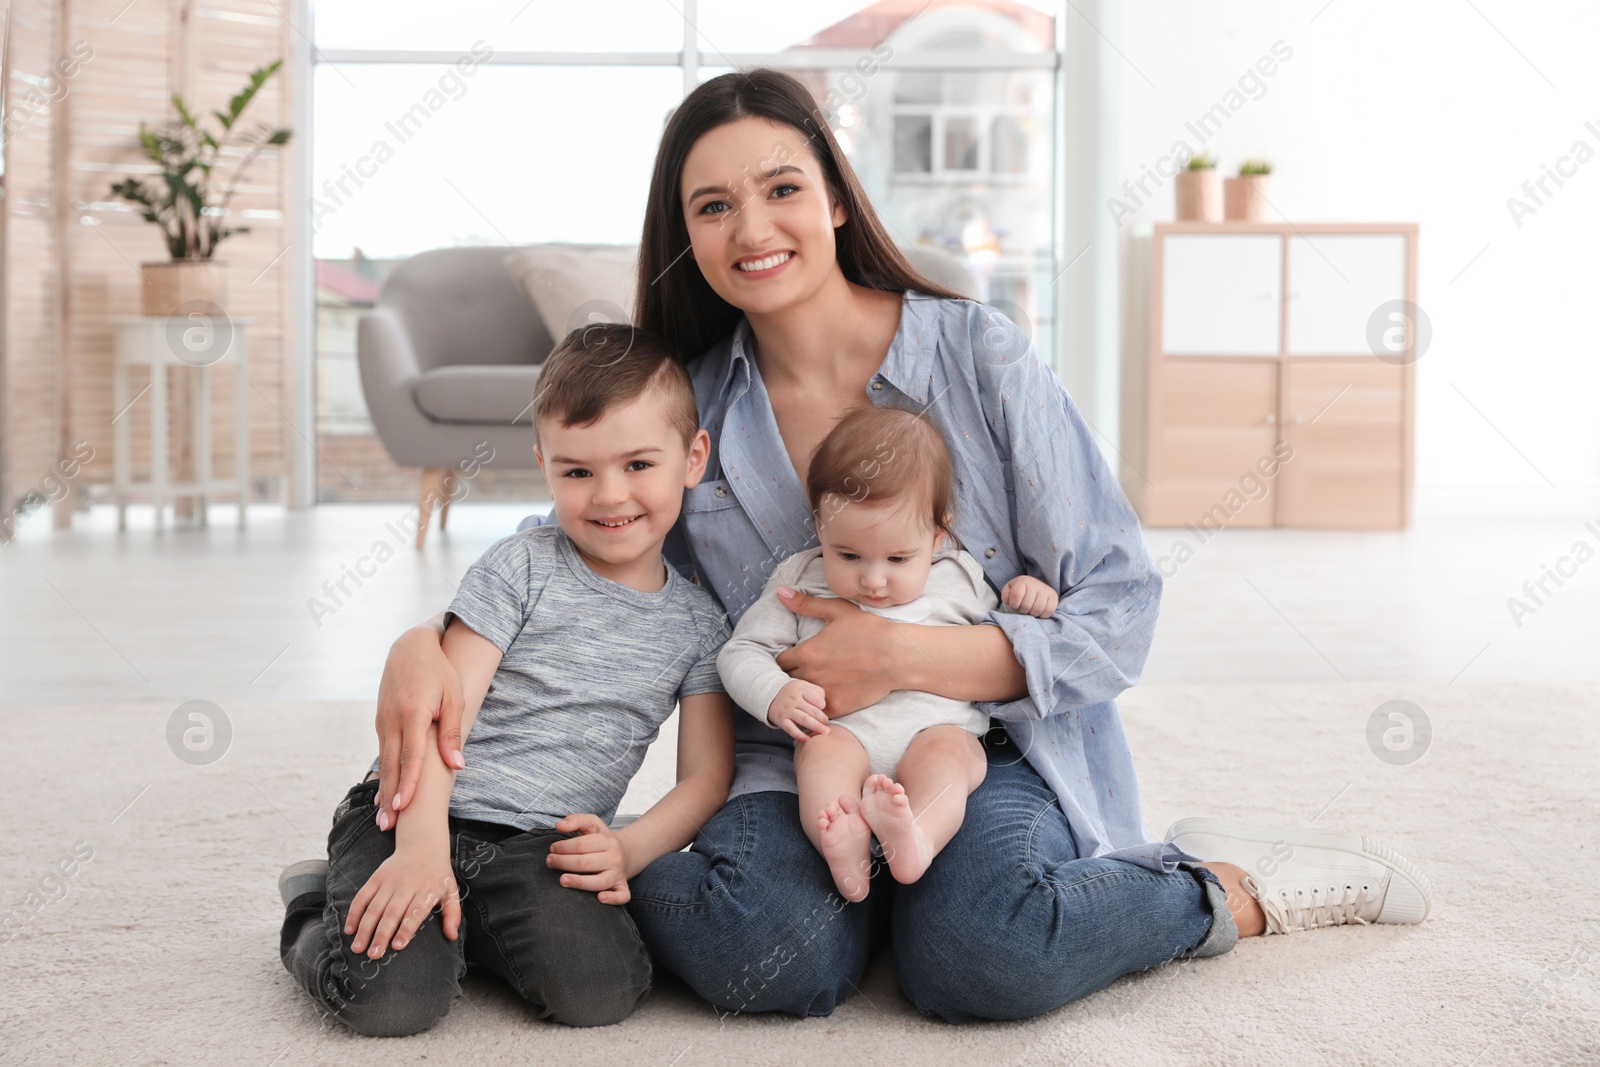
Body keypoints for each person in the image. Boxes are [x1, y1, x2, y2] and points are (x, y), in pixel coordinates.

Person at [371, 69, 1433, 1023]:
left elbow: (1119, 606)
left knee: (981, 960)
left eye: (781, 187)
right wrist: (433, 633)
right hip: (796, 756)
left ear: (834, 196)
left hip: (976, 745)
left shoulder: (978, 353)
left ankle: (1216, 881)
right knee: (763, 957)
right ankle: (462, 889)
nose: (753, 226)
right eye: (713, 205)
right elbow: (586, 520)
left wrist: (907, 659)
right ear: (687, 234)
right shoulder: (692, 397)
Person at [277, 325, 735, 1035]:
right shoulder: (519, 566)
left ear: (692, 457)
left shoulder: (701, 623)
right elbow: (443, 715)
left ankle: (466, 927)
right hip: (414, 809)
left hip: (534, 844)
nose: (610, 495)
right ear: (544, 466)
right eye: (577, 471)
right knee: (392, 1001)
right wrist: (421, 843)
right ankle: (313, 907)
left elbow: (705, 777)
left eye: (638, 463)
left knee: (601, 991)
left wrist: (631, 847)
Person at [718, 405, 1060, 902]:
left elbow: (1004, 640)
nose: (873, 580)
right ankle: (845, 849)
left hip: (937, 730)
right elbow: (742, 651)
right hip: (843, 731)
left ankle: (916, 836)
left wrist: (1027, 597)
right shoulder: (800, 577)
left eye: (898, 559)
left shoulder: (960, 575)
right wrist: (776, 692)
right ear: (820, 525)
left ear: (937, 534)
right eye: (849, 555)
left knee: (950, 761)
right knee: (819, 758)